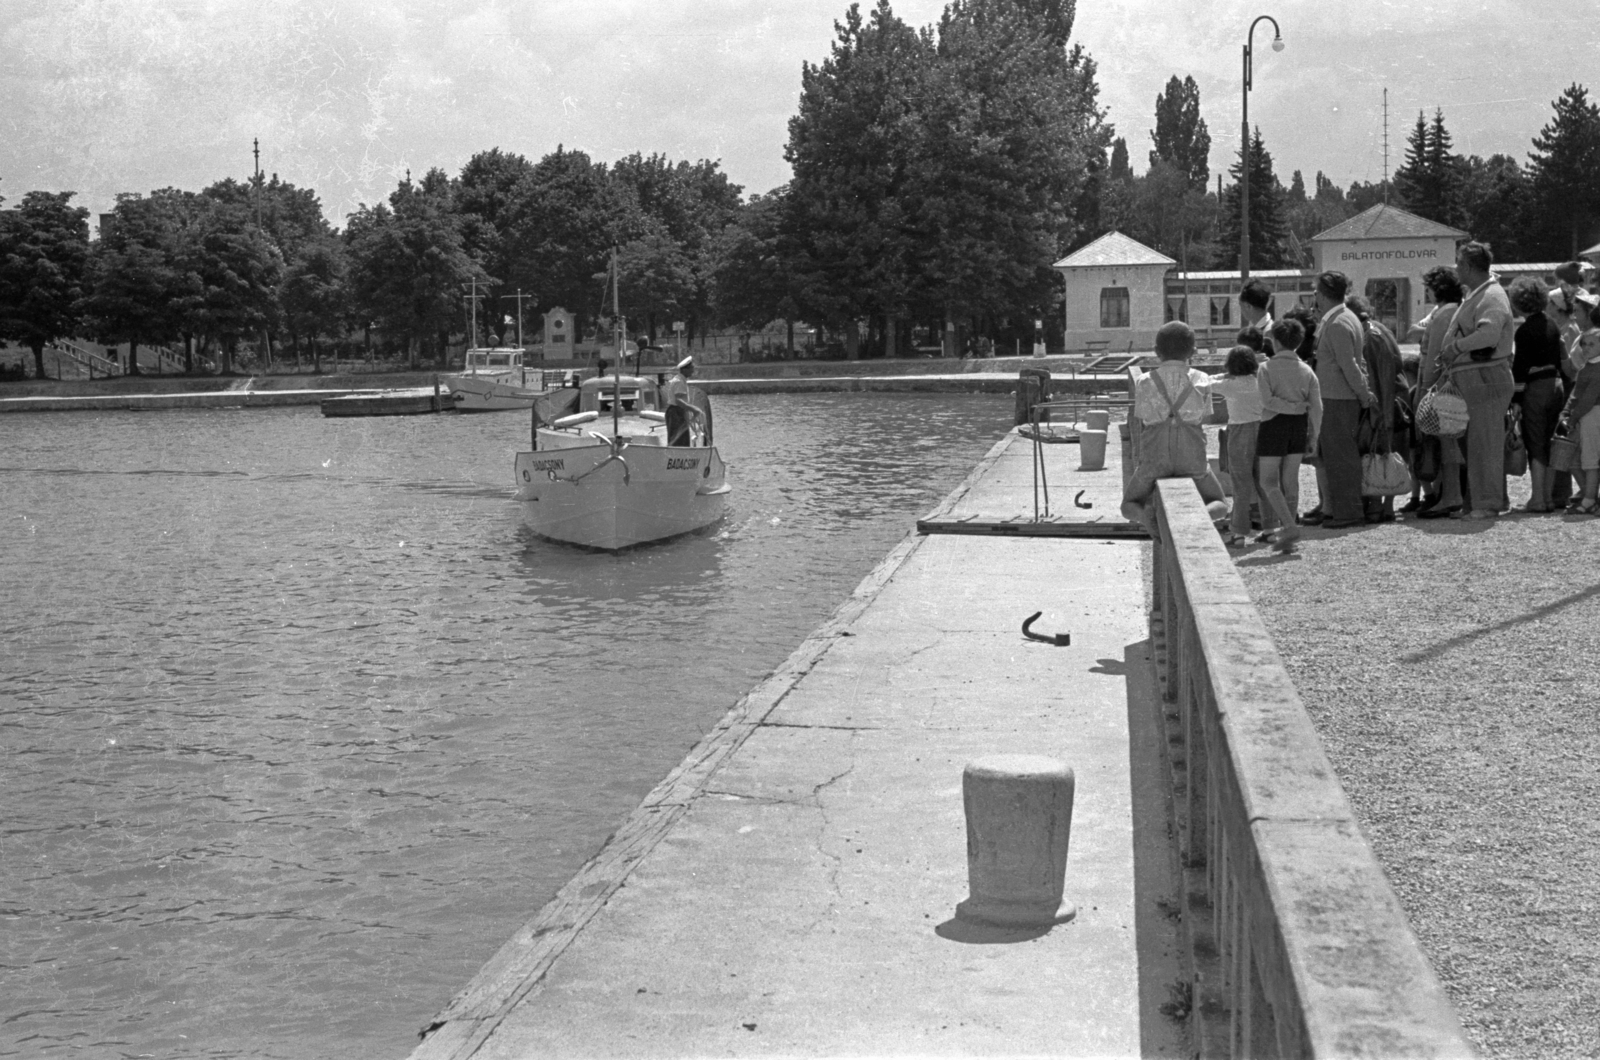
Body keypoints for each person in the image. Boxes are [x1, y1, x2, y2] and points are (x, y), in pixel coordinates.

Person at [1120, 321, 1229, 532]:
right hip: (1191, 459)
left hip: (1155, 459)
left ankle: (1145, 516)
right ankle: (1200, 516)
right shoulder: (1203, 379)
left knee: (1128, 505)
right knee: (1221, 504)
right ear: (1193, 351)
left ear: (1156, 351)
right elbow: (1203, 418)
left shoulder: (1144, 381)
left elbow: (1143, 418)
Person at [1437, 241, 1516, 520]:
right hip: (1474, 378)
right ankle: (1479, 501)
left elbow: (1489, 334)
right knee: (1475, 443)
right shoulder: (1479, 294)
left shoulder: (1492, 296)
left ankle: (1487, 503)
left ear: (1469, 266)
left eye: (1459, 264)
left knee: (1484, 443)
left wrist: (1455, 349)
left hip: (1485, 377)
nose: (1456, 269)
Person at [1308, 271, 1374, 528]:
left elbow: (1349, 366)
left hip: (1337, 399)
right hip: (1337, 398)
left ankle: (1348, 512)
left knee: (1341, 458)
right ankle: (1338, 509)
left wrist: (1363, 395)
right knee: (1337, 456)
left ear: (1323, 295)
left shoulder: (1337, 323)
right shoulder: (1347, 318)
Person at [1256, 318, 1323, 552]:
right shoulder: (1307, 370)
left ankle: (1289, 526)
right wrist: (1314, 435)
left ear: (1274, 341)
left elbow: (1267, 401)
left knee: (1268, 482)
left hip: (1273, 425)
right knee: (1290, 480)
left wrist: (1291, 407)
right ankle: (1289, 533)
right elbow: (1317, 407)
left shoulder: (1266, 368)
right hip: (1299, 426)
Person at [1508, 277, 1567, 512]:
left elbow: (1520, 369)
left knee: (1536, 443)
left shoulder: (1523, 331)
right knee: (1550, 441)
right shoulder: (1552, 324)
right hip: (1556, 384)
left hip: (1536, 388)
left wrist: (1517, 400)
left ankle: (1538, 499)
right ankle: (1549, 497)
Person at [1345, 294, 1405, 521]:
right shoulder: (1381, 329)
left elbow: (1373, 376)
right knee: (1388, 455)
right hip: (1393, 400)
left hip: (1379, 403)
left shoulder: (1367, 336)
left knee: (1374, 454)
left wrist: (1375, 409)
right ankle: (1387, 506)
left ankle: (1375, 506)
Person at [1413, 266, 1467, 518]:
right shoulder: (1459, 309)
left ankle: (1450, 496)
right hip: (1458, 385)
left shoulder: (1443, 313)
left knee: (1446, 444)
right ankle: (1452, 494)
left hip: (1441, 387)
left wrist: (1424, 393)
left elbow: (1433, 355)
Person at [1211, 345, 1270, 547]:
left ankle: (1238, 533)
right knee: (1265, 482)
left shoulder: (1230, 385)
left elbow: (1205, 383)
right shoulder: (1260, 381)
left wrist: (1224, 375)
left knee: (1240, 483)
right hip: (1262, 430)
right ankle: (1270, 528)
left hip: (1239, 431)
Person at [1564, 300, 1600, 513]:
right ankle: (1589, 496)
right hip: (1586, 414)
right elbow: (1576, 392)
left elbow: (1587, 398)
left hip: (1593, 414)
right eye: (1583, 344)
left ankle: (1589, 499)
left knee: (1590, 458)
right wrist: (1566, 411)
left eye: (1591, 344)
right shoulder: (1588, 366)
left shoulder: (1596, 369)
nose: (1586, 348)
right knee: (1584, 457)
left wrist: (1573, 415)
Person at [1239, 279, 1275, 354]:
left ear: (1248, 306)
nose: (1241, 311)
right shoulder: (1271, 327)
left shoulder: (1268, 334)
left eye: (1241, 306)